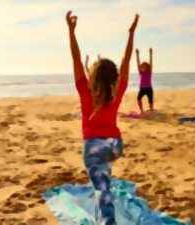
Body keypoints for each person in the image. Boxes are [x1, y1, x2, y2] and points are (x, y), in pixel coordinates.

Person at [66, 10, 139, 225]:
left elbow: (76, 58)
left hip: (94, 148)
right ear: (113, 78)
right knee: (103, 174)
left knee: (102, 192)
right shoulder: (116, 92)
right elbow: (126, 61)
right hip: (115, 145)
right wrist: (131, 34)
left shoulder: (84, 90)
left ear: (94, 75)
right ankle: (104, 182)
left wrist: (71, 31)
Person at [135, 48, 154, 113]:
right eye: (141, 66)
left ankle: (151, 110)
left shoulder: (149, 72)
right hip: (142, 89)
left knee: (150, 101)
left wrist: (150, 53)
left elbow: (151, 61)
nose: (142, 67)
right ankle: (141, 110)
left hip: (149, 88)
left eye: (143, 66)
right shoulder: (140, 72)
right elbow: (138, 62)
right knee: (138, 99)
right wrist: (137, 54)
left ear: (147, 67)